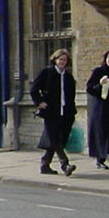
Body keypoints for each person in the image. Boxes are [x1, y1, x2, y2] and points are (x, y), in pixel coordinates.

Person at [31, 48, 77, 176]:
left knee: (58, 139)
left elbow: (71, 95)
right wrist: (39, 102)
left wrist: (72, 111)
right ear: (55, 60)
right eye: (60, 59)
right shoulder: (47, 72)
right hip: (51, 112)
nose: (62, 62)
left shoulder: (68, 76)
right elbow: (34, 89)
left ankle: (45, 164)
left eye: (65, 60)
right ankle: (65, 164)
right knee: (55, 138)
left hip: (66, 112)